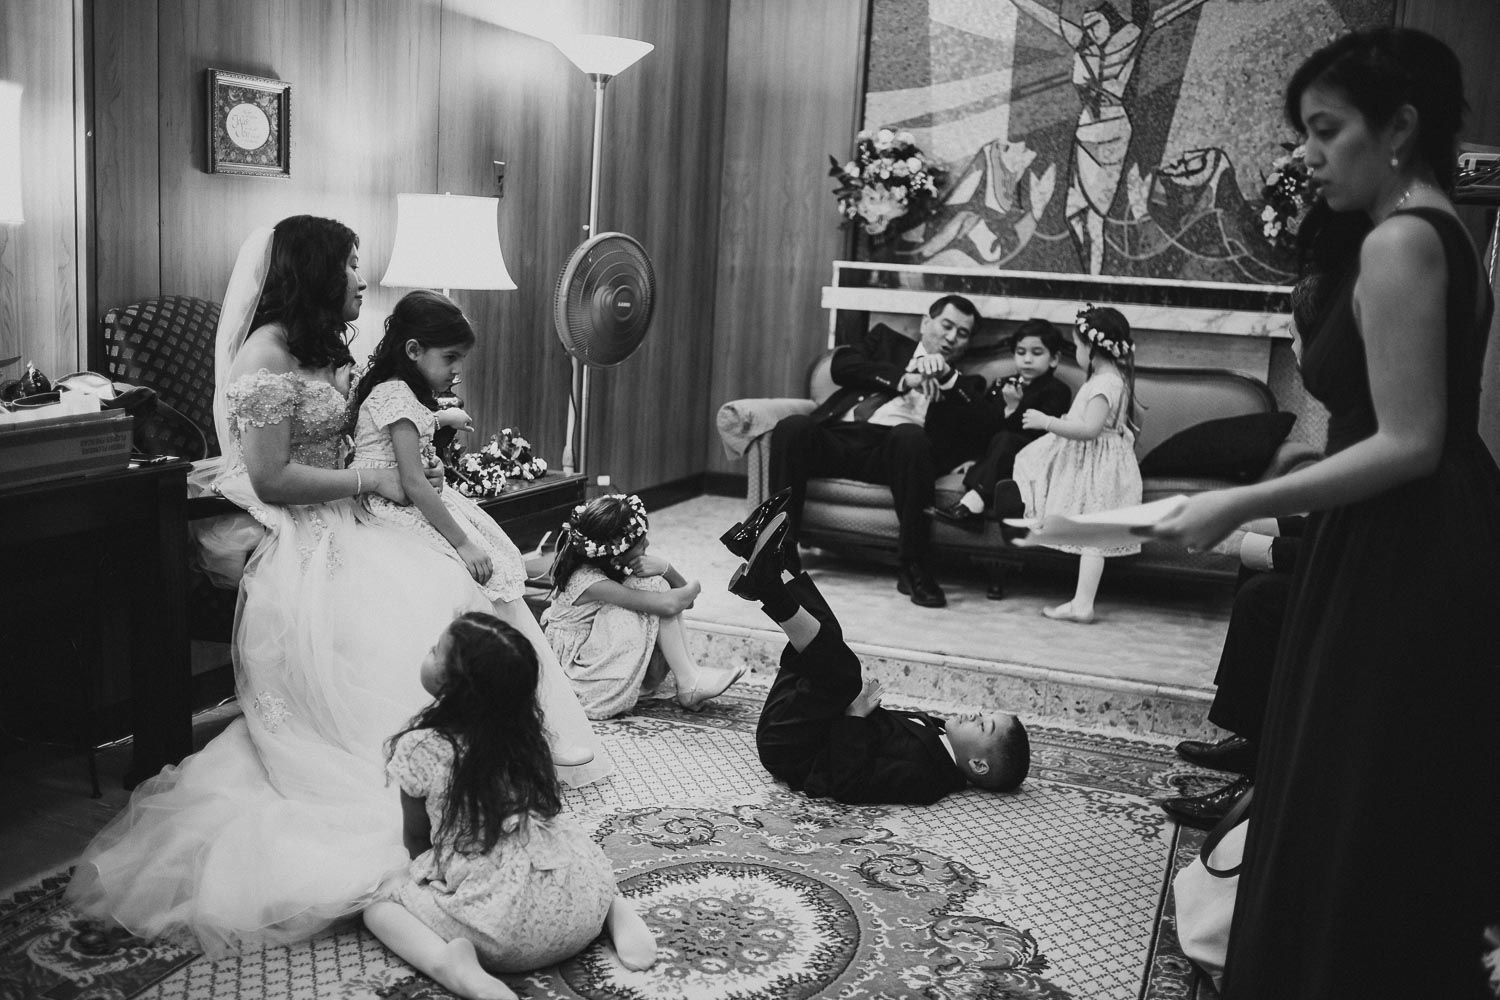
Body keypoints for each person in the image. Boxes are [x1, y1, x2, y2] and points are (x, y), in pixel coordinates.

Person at [65, 218, 610, 958]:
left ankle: (482, 760)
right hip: (302, 522)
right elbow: (269, 476)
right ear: (317, 273)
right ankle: (418, 774)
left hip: (355, 508)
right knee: (403, 602)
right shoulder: (263, 357)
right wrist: (372, 479)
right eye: (352, 267)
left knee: (461, 573)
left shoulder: (324, 348)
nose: (363, 279)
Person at [1146, 28, 1500, 999]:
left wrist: (1240, 502)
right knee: (1369, 782)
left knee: (1355, 784)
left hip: (1405, 539)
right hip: (1407, 529)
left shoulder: (1402, 239)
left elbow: (1407, 441)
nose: (1306, 154)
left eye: (1324, 130)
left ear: (1400, 128)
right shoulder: (1430, 229)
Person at [367, 613, 656, 1000]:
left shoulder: (421, 746)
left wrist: (427, 883)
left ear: (454, 686)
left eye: (436, 651)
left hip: (501, 942)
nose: (428, 651)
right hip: (579, 912)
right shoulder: (528, 735)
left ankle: (450, 966)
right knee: (579, 860)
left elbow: (418, 839)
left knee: (378, 904)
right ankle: (612, 908)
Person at [728, 511, 1030, 804]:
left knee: (844, 670)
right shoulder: (939, 732)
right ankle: (756, 553)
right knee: (827, 635)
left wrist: (855, 717)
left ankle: (767, 583)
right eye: (984, 713)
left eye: (983, 726)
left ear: (979, 765)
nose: (975, 714)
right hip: (798, 724)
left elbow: (852, 784)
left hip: (788, 749)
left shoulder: (928, 779)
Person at [768, 294, 987, 608]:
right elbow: (842, 366)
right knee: (792, 428)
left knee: (910, 435)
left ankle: (914, 566)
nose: (951, 337)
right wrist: (904, 379)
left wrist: (947, 380)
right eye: (947, 326)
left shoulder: (964, 385)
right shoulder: (886, 342)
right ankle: (780, 550)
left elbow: (983, 422)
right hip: (841, 438)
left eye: (962, 333)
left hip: (893, 454)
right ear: (927, 323)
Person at [541, 493, 746, 718]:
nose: (647, 544)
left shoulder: (604, 566)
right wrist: (678, 575)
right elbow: (671, 604)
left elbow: (684, 604)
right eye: (641, 543)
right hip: (578, 670)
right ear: (615, 557)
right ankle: (689, 681)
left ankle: (691, 675)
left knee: (654, 584)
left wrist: (666, 570)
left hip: (591, 648)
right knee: (652, 588)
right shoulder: (589, 581)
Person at [1010, 305, 1142, 623]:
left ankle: (1083, 603)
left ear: (1093, 348)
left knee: (1091, 536)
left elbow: (1090, 429)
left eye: (1079, 346)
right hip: (1102, 459)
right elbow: (1133, 418)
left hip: (1097, 465)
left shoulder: (1103, 384)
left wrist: (1048, 422)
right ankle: (1081, 601)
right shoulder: (1114, 378)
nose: (1078, 353)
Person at [932, 318, 1073, 532]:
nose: (1027, 360)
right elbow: (985, 428)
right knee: (997, 437)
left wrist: (1015, 408)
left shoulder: (1057, 390)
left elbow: (1039, 433)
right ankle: (974, 504)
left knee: (1006, 438)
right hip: (1000, 458)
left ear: (1053, 359)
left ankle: (972, 505)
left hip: (1034, 458)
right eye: (1020, 352)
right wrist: (977, 459)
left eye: (1036, 353)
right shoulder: (1001, 385)